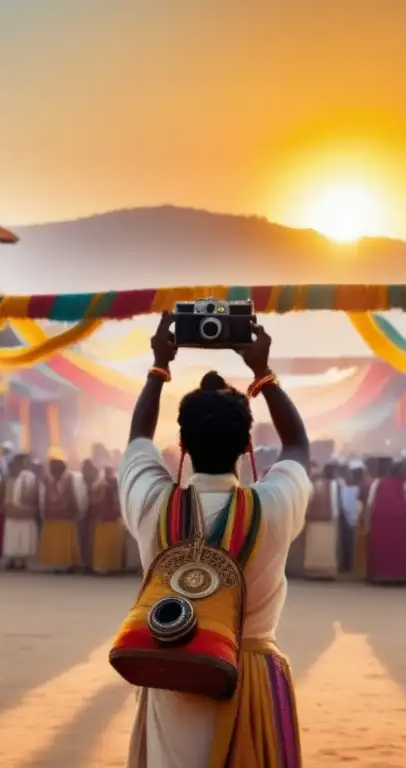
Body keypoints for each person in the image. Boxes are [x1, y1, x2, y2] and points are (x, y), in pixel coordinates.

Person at [118, 311, 311, 766]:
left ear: (182, 446)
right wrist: (262, 373)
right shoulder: (274, 506)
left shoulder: (152, 505)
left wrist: (158, 367)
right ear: (248, 445)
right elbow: (299, 446)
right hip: (248, 678)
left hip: (173, 673)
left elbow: (137, 441)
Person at [364, 458, 406, 585]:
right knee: (400, 549)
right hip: (401, 522)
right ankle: (402, 576)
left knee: (382, 549)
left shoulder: (378, 482)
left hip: (380, 521)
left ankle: (381, 576)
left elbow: (370, 503)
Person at [38, 449, 88, 572]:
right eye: (51, 468)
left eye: (55, 467)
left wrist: (81, 512)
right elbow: (42, 498)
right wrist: (43, 513)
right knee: (54, 542)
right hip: (52, 518)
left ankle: (68, 564)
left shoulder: (73, 478)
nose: (52, 470)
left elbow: (81, 496)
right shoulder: (46, 480)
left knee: (68, 542)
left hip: (67, 518)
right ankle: (55, 565)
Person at [302, 463, 340, 579]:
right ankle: (327, 572)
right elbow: (334, 502)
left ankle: (312, 571)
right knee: (328, 547)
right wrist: (335, 517)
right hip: (329, 520)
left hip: (313, 520)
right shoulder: (333, 484)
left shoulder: (315, 483)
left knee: (314, 546)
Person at [2, 453, 39, 569]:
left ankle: (23, 561)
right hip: (11, 511)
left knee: (24, 537)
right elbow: (5, 494)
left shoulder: (30, 477)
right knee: (11, 536)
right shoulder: (9, 477)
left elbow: (33, 493)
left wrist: (26, 505)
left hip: (25, 511)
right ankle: (11, 559)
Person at [89, 463, 126, 574]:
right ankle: (103, 566)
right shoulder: (100, 485)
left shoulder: (116, 484)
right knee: (103, 544)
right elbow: (95, 501)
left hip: (112, 518)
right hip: (104, 518)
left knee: (111, 543)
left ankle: (112, 566)